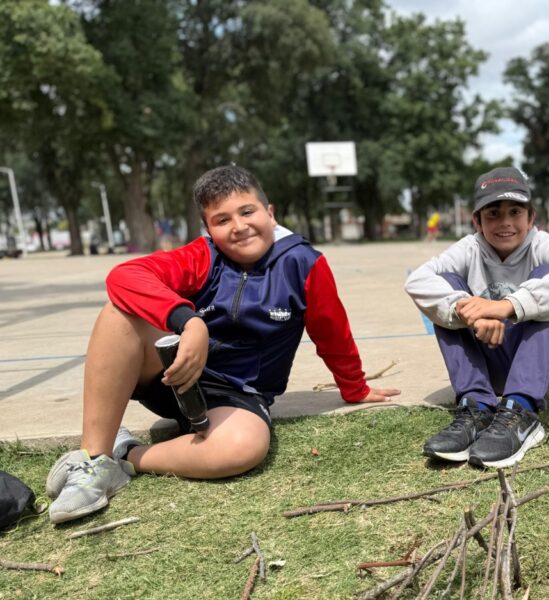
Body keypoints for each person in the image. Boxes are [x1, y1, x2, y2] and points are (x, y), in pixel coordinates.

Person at [46, 165, 399, 523]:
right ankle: (92, 462)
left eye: (248, 211)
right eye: (222, 219)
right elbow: (124, 276)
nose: (239, 226)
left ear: (270, 212)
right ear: (209, 229)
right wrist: (190, 322)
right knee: (118, 313)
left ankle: (125, 456)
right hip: (175, 377)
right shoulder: (203, 256)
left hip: (239, 396)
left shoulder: (303, 264)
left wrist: (354, 387)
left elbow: (332, 331)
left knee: (243, 447)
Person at [404, 167, 549, 468]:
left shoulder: (542, 244)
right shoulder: (469, 248)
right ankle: (476, 407)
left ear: (531, 219)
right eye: (493, 213)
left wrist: (506, 306)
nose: (505, 223)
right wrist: (469, 312)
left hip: (540, 365)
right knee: (447, 285)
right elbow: (417, 281)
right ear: (476, 221)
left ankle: (523, 411)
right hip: (487, 360)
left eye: (515, 212)